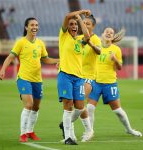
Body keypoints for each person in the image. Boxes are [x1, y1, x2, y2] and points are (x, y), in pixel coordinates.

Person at [0, 17, 59, 142]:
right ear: (26, 27)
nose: (35, 27)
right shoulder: (21, 42)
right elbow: (10, 58)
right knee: (29, 104)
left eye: (36, 25)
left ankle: (30, 131)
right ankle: (23, 133)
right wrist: (3, 70)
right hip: (24, 78)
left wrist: (59, 60)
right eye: (32, 25)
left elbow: (45, 59)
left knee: (36, 107)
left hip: (37, 80)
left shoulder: (40, 43)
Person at [86, 27, 142, 137]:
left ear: (113, 36)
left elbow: (120, 67)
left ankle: (129, 129)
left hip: (110, 83)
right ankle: (89, 131)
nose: (108, 33)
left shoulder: (116, 49)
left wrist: (115, 59)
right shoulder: (96, 46)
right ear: (102, 34)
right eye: (106, 31)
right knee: (90, 108)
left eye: (111, 33)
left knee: (117, 110)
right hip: (95, 82)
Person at [57, 10, 91, 145]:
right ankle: (68, 137)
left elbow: (87, 37)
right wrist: (81, 12)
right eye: (71, 24)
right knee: (68, 105)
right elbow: (66, 16)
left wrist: (80, 19)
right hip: (65, 75)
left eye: (75, 24)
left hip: (79, 78)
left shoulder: (79, 41)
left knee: (80, 107)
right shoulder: (63, 36)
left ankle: (65, 125)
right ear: (67, 27)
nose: (73, 26)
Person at [79, 14, 101, 142]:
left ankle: (89, 130)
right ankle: (69, 131)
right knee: (73, 104)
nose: (85, 25)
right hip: (77, 76)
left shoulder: (95, 39)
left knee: (80, 102)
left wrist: (91, 44)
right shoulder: (79, 38)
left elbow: (99, 51)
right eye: (84, 23)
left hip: (89, 76)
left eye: (88, 24)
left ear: (93, 26)